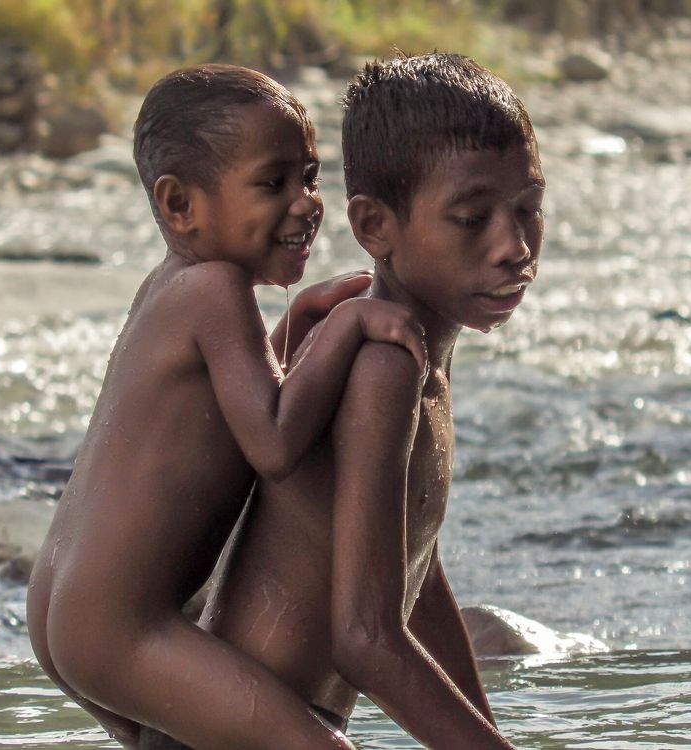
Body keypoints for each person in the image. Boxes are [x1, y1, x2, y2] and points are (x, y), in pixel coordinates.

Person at [141, 51, 544, 749]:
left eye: (529, 208)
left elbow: (415, 580)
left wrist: (492, 736)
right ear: (374, 227)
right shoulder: (381, 367)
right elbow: (364, 641)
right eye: (472, 218)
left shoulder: (415, 354)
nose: (514, 246)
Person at [25, 64, 427, 750]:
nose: (305, 202)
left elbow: (227, 403)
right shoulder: (217, 291)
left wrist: (297, 325)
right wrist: (345, 331)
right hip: (121, 626)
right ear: (180, 205)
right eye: (273, 183)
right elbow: (271, 442)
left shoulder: (172, 284)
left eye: (309, 175)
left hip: (62, 602)